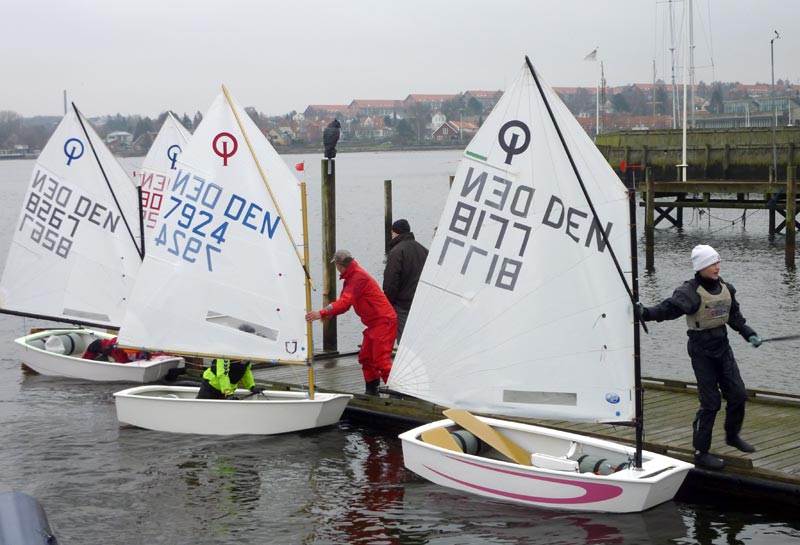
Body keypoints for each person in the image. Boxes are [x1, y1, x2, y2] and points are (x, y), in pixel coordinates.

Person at [636, 244, 763, 470]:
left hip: (722, 346)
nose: (717, 267)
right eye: (712, 263)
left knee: (738, 395)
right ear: (701, 266)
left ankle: (732, 436)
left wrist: (749, 334)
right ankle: (701, 452)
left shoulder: (727, 289)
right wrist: (645, 312)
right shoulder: (689, 293)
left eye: (718, 262)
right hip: (701, 349)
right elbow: (668, 310)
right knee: (711, 403)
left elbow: (735, 318)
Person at [306, 249, 397, 396]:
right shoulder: (352, 277)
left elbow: (343, 303)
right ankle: (371, 391)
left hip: (384, 322)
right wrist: (327, 314)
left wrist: (321, 313)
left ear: (338, 265)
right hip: (375, 324)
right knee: (366, 358)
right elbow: (344, 304)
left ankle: (398, 392)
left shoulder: (357, 278)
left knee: (381, 360)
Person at [382, 218, 428, 342]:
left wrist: (387, 303)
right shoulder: (423, 250)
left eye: (392, 233)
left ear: (396, 233)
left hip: (402, 305)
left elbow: (391, 282)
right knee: (419, 338)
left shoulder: (396, 252)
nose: (391, 235)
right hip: (420, 303)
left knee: (404, 341)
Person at [196, 358, 263, 400]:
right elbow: (222, 374)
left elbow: (246, 371)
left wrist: (251, 387)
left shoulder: (246, 357)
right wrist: (228, 393)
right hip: (210, 388)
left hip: (226, 391)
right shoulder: (226, 355)